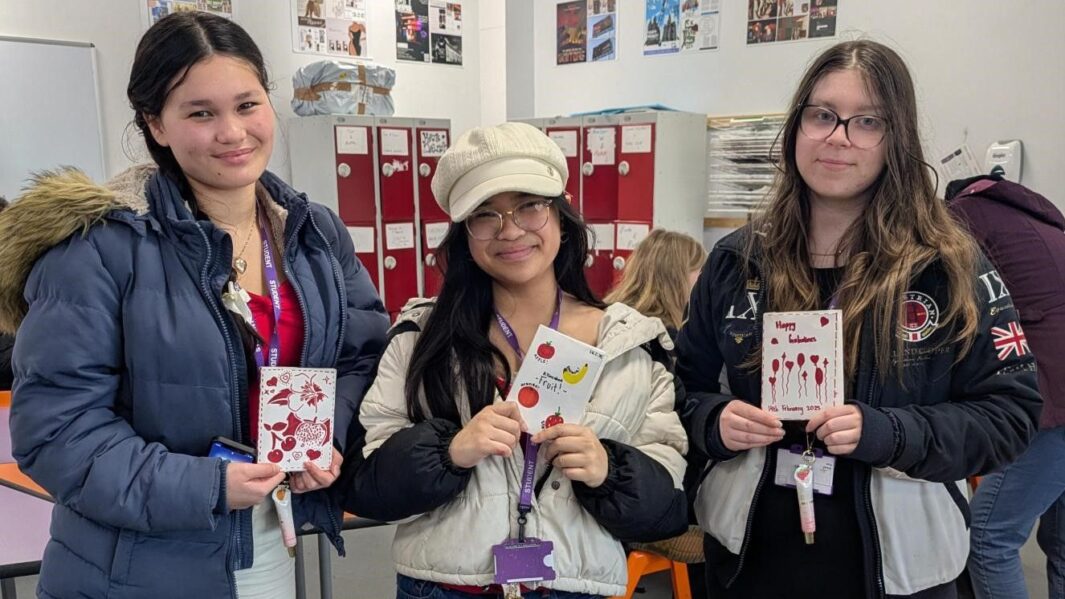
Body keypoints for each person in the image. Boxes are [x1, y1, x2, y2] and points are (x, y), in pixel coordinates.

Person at [0, 12, 388, 599]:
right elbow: (56, 433)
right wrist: (207, 485)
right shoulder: (99, 249)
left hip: (272, 547)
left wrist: (323, 435)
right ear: (156, 124)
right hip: (132, 572)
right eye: (201, 113)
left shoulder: (313, 235)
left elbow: (363, 358)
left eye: (248, 105)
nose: (233, 133)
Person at [676, 40, 1041, 599]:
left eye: (866, 121)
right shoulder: (736, 260)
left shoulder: (947, 266)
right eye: (822, 115)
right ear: (797, 125)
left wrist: (890, 433)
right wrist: (714, 421)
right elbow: (680, 390)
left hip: (902, 572)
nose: (838, 137)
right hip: (747, 563)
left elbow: (1011, 414)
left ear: (896, 139)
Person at [342, 122, 689, 598]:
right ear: (465, 235)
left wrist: (608, 468)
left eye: (530, 206)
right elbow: (365, 485)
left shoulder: (630, 344)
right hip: (445, 588)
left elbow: (668, 506)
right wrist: (450, 452)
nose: (510, 231)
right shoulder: (419, 339)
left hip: (574, 588)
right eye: (485, 215)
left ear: (561, 217)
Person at [947, 175, 1065, 599]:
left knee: (988, 537)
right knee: (1062, 544)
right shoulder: (1037, 218)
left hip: (1055, 398)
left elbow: (952, 309)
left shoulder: (961, 215)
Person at [604, 228, 708, 597]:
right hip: (645, 496)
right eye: (700, 271)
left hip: (611, 485)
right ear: (678, 277)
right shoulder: (667, 342)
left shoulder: (609, 325)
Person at [604, 228, 707, 339]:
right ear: (676, 277)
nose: (704, 280)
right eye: (701, 271)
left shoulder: (608, 316)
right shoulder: (666, 339)